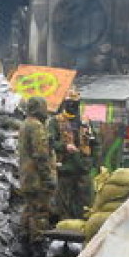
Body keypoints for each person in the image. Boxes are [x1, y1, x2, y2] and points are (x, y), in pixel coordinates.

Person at [48, 91, 99, 221]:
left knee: (85, 203)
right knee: (64, 204)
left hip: (83, 168)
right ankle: (65, 231)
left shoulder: (85, 122)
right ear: (65, 103)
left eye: (75, 103)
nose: (72, 106)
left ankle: (81, 229)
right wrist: (65, 147)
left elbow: (95, 143)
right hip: (65, 168)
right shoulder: (55, 121)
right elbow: (50, 142)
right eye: (69, 103)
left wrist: (94, 163)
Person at [17, 95, 56, 256]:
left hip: (27, 177)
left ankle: (25, 242)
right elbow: (41, 154)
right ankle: (38, 245)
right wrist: (48, 178)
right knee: (40, 211)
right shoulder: (37, 127)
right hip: (37, 179)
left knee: (29, 209)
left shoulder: (25, 124)